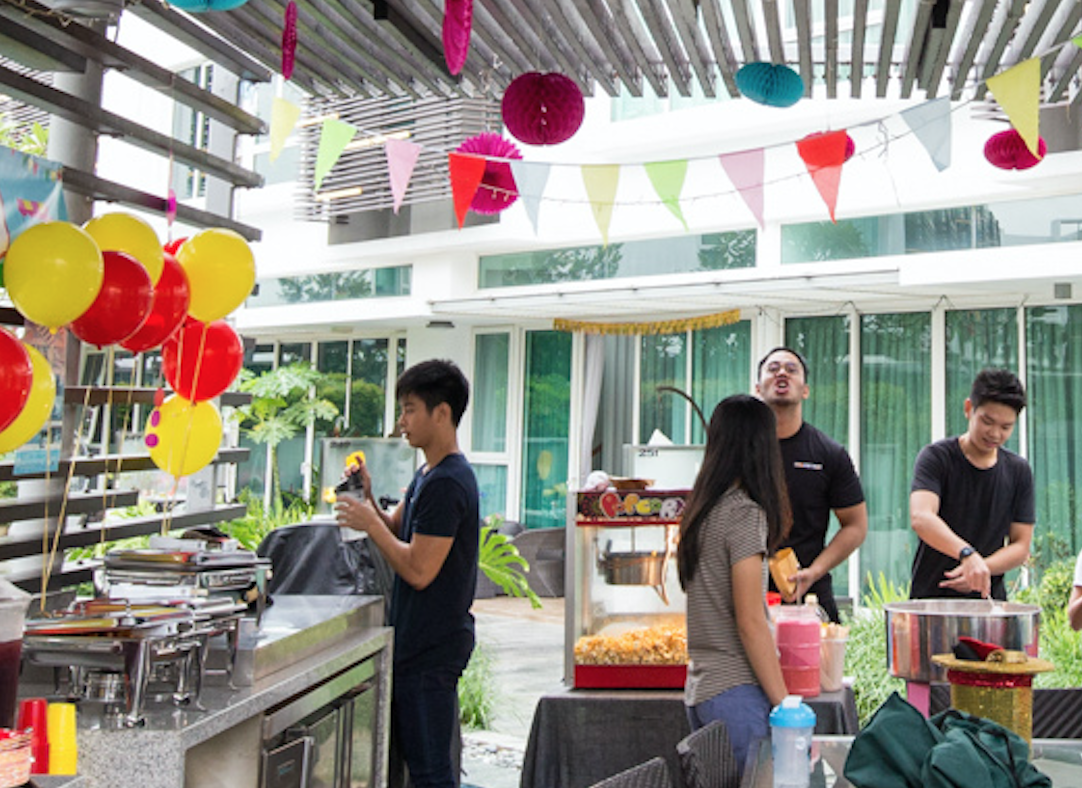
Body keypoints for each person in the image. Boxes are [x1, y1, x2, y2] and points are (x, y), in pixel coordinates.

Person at [336, 359, 479, 788]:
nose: (402, 422)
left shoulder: (447, 482)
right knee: (419, 769)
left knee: (432, 774)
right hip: (418, 645)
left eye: (410, 409)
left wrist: (369, 524)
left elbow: (419, 569)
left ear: (442, 413)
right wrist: (368, 501)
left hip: (431, 650)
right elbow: (399, 529)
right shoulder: (427, 474)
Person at [678, 394, 792, 776]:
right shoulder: (744, 513)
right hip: (736, 691)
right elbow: (750, 621)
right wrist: (784, 702)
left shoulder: (703, 509)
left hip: (700, 690)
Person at [755, 347, 868, 622]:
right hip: (746, 593)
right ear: (758, 389)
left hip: (808, 594)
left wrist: (815, 571)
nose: (782, 373)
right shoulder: (737, 452)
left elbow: (856, 525)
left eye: (791, 369)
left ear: (805, 390)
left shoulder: (828, 453)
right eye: (773, 369)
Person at [909, 368, 1034, 600]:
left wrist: (980, 569)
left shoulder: (1018, 470)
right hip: (931, 602)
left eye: (1006, 427)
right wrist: (967, 554)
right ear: (969, 409)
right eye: (987, 421)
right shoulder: (936, 457)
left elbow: (1020, 545)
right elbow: (921, 517)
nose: (995, 433)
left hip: (989, 605)